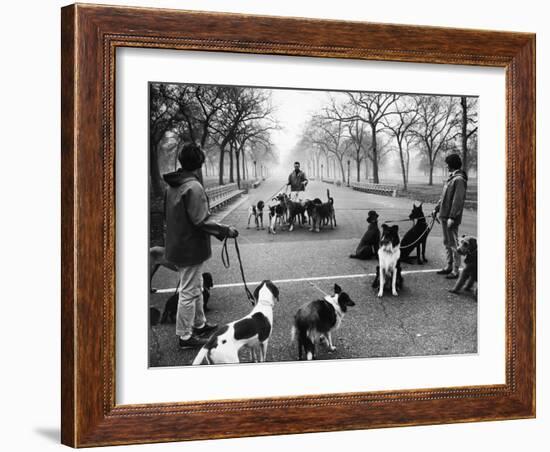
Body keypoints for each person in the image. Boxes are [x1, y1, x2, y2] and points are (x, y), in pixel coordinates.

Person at [163, 143, 239, 349]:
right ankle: (185, 336)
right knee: (188, 291)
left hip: (179, 243)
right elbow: (201, 221)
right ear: (199, 164)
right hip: (190, 247)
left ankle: (199, 323)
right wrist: (225, 230)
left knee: (195, 287)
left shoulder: (173, 185)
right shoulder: (193, 187)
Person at [433, 153, 468, 280]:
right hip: (444, 215)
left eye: (448, 164)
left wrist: (452, 217)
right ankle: (448, 266)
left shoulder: (459, 180)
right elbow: (444, 197)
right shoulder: (451, 178)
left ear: (452, 164)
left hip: (450, 218)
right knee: (447, 242)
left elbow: (457, 201)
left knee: (453, 244)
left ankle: (455, 270)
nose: (446, 166)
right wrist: (436, 208)